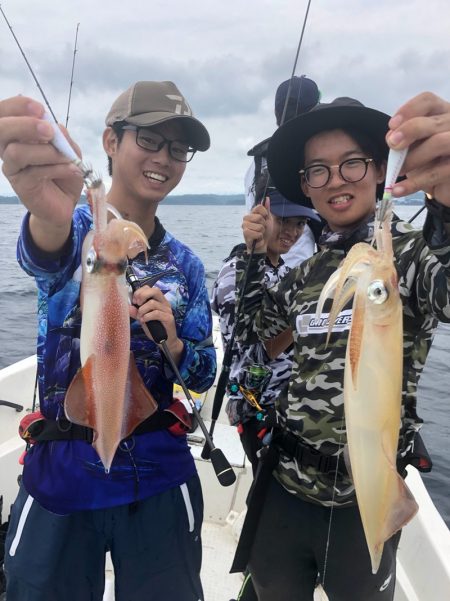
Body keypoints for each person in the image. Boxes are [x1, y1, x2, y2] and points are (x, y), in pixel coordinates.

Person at [0, 80, 216, 601]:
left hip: (159, 476)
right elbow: (43, 254)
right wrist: (47, 217)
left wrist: (177, 345)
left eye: (178, 147)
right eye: (148, 138)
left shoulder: (186, 264)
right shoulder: (76, 229)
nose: (164, 157)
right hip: (62, 474)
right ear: (111, 141)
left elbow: (204, 371)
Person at [234, 91, 450, 600]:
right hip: (285, 488)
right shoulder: (303, 274)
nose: (336, 181)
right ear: (306, 187)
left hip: (363, 499)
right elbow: (255, 339)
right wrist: (258, 258)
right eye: (318, 171)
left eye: (351, 164)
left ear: (379, 170)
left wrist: (445, 212)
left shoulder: (413, 259)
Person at [211, 177, 321, 474]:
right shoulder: (233, 273)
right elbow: (252, 353)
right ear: (260, 215)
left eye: (300, 224)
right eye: (284, 219)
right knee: (268, 489)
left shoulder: (287, 270)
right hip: (257, 410)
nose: (292, 232)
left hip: (291, 404)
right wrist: (303, 317)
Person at [244, 75, 323, 266]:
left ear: (276, 111)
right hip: (303, 275)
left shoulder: (256, 163)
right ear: (315, 111)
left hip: (260, 267)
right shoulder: (314, 161)